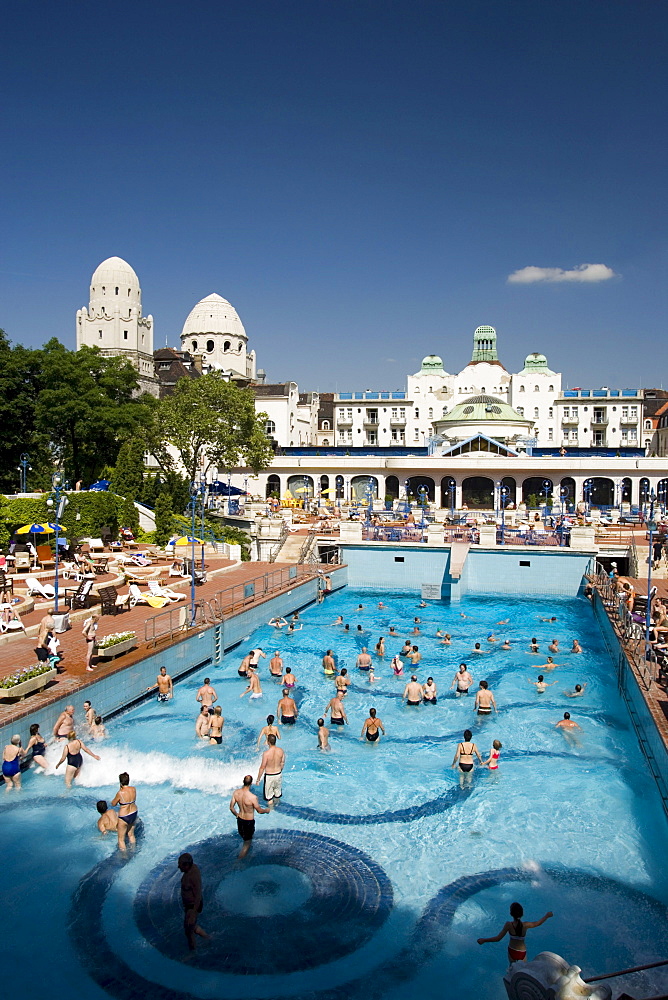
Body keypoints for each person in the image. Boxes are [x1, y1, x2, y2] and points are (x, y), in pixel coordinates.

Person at [477, 901, 553, 962]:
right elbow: (538, 923)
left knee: (512, 970)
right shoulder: (526, 925)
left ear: (511, 914)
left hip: (512, 951)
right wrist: (547, 915)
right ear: (522, 913)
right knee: (523, 971)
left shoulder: (508, 925)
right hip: (522, 952)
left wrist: (484, 940)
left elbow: (498, 938)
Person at [229, 775, 270, 858]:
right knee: (247, 843)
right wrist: (266, 810)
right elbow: (259, 810)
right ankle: (239, 861)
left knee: (244, 838)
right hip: (248, 822)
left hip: (240, 819)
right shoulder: (253, 797)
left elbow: (231, 807)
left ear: (243, 782)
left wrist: (237, 815)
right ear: (251, 783)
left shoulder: (236, 792)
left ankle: (244, 852)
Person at [178, 853, 209, 948]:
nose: (178, 866)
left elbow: (198, 895)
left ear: (187, 865)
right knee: (191, 925)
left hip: (193, 906)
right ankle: (208, 938)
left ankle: (193, 952)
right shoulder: (190, 869)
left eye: (180, 864)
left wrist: (193, 913)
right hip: (189, 905)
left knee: (188, 931)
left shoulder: (193, 876)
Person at [256, 733, 285, 806]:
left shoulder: (266, 753)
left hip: (269, 776)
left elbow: (262, 767)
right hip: (278, 774)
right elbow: (282, 763)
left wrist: (258, 779)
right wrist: (280, 771)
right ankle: (278, 807)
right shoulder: (281, 751)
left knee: (269, 798)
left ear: (268, 742)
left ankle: (271, 811)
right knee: (277, 795)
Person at [111, 772, 138, 850]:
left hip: (124, 815)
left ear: (120, 782)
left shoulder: (120, 793)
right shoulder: (133, 789)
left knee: (121, 839)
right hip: (133, 813)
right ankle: (134, 849)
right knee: (131, 835)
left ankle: (124, 856)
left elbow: (113, 804)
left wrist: (120, 788)